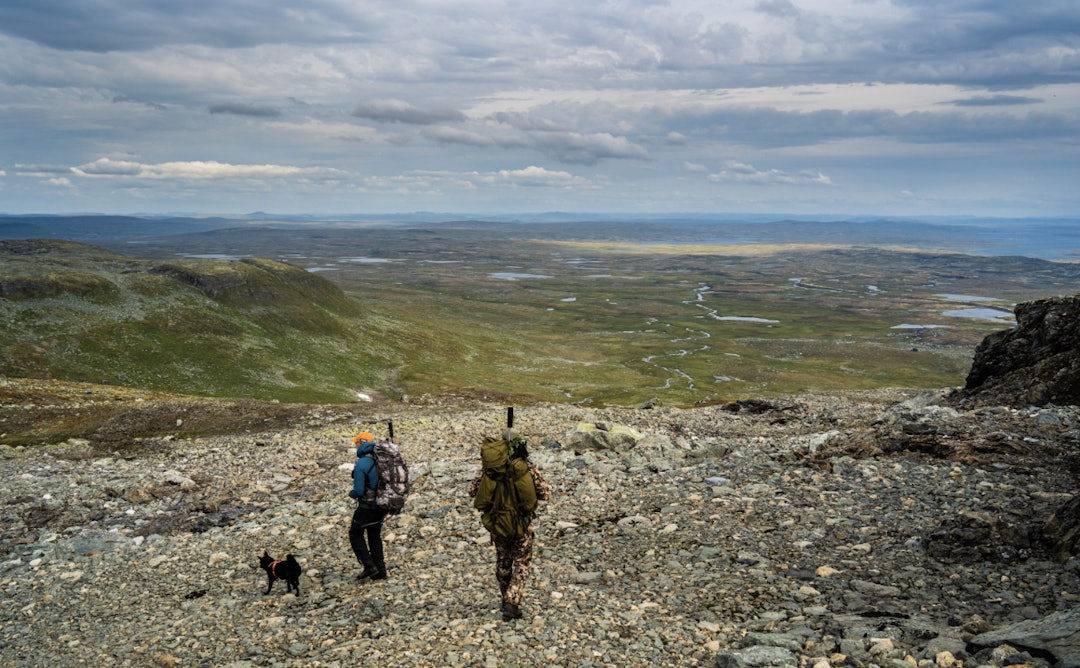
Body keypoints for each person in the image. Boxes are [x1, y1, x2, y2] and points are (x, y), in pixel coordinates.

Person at [468, 428, 552, 621]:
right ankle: (512, 601)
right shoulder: (526, 468)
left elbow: (473, 491)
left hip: (498, 523)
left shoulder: (490, 471)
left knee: (503, 560)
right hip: (521, 524)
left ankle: (505, 597)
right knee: (522, 563)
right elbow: (545, 493)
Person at [348, 431, 388, 582]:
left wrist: (352, 494)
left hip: (366, 507)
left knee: (355, 534)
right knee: (374, 535)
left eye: (356, 442)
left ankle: (369, 566)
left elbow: (358, 490)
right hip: (382, 504)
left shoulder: (361, 464)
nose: (355, 445)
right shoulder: (381, 459)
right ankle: (380, 571)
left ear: (361, 444)